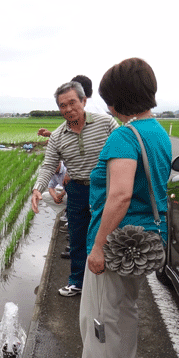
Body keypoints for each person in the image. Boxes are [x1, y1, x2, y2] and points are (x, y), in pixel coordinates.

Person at [76, 58, 171, 358]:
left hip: (118, 243)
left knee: (98, 314)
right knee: (128, 307)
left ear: (117, 100)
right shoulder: (158, 132)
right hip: (145, 240)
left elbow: (120, 195)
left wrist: (98, 246)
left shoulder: (123, 136)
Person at [31, 81, 119, 297]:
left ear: (83, 101)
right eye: (62, 105)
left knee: (108, 234)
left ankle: (108, 283)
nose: (68, 109)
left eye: (72, 102)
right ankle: (77, 281)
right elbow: (49, 164)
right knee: (77, 237)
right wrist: (37, 188)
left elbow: (122, 150)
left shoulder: (106, 122)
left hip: (105, 189)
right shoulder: (58, 136)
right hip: (77, 189)